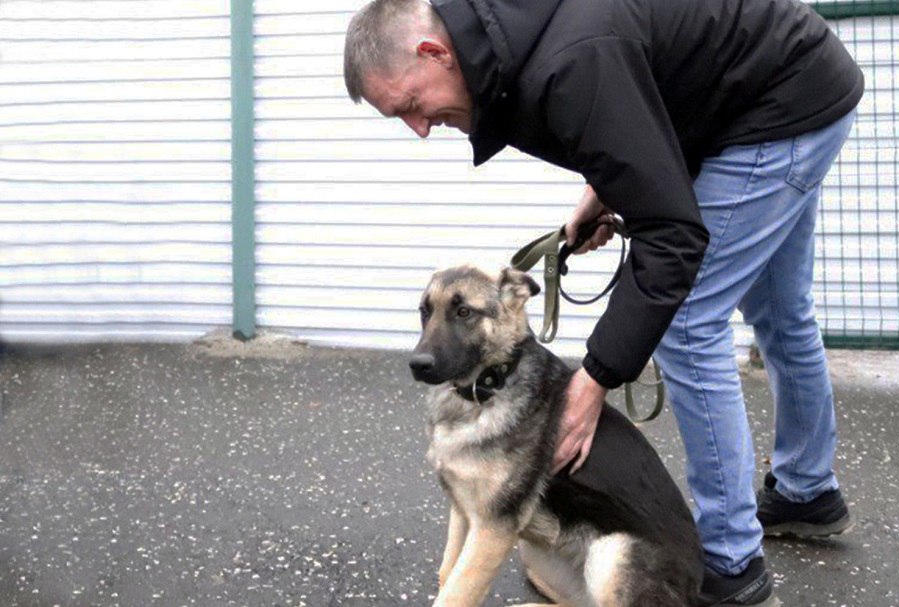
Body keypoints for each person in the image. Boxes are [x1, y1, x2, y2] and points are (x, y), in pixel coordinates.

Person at [344, 0, 862, 604]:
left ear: (435, 54)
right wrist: (608, 182)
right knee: (780, 312)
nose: (420, 127)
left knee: (689, 325)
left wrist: (591, 382)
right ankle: (807, 491)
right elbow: (631, 94)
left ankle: (731, 560)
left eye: (410, 105)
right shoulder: (512, 45)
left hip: (779, 103)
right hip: (773, 84)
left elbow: (673, 237)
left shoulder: (562, 60)